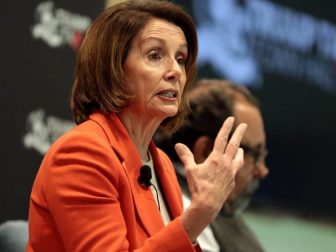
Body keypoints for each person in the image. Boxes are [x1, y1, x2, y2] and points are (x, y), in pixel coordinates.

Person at [27, 1, 247, 251]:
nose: (175, 71)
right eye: (155, 55)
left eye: (180, 58)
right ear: (114, 68)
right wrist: (199, 214)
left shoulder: (160, 162)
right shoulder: (82, 153)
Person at [155, 79, 269, 252]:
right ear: (207, 151)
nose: (263, 171)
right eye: (254, 154)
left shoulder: (217, 210)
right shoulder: (188, 213)